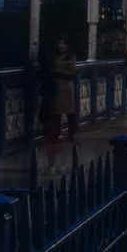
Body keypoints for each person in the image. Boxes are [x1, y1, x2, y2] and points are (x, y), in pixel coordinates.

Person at [42, 35, 78, 174]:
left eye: (64, 43)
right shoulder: (51, 56)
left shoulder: (70, 57)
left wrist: (57, 71)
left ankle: (62, 164)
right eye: (60, 43)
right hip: (53, 93)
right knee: (52, 131)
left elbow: (71, 73)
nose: (62, 46)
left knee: (69, 131)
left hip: (65, 94)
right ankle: (51, 165)